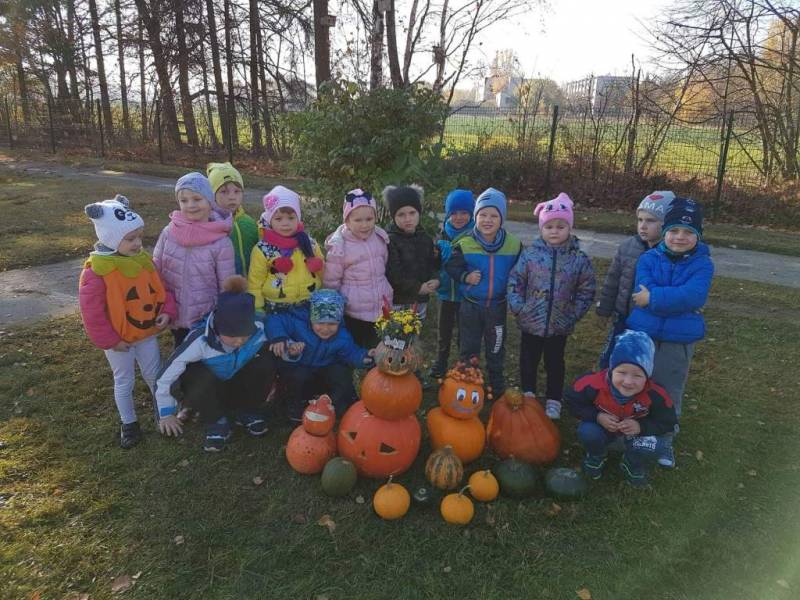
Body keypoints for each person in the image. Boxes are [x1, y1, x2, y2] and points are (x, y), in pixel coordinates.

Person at [79, 195, 176, 448]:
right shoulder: (97, 271)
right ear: (111, 238)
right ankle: (129, 423)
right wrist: (110, 340)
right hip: (118, 340)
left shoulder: (144, 262)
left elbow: (161, 289)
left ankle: (164, 412)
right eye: (130, 239)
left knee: (154, 374)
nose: (137, 243)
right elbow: (92, 313)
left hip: (146, 333)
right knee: (124, 381)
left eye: (139, 237)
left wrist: (167, 310)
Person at [627, 197, 714, 468]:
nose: (680, 237)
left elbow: (693, 296)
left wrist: (654, 299)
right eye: (674, 230)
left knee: (669, 390)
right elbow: (642, 289)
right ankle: (633, 431)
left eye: (688, 232)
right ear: (665, 232)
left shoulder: (703, 264)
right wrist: (672, 299)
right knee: (636, 383)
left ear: (698, 236)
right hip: (644, 334)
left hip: (679, 339)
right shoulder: (648, 259)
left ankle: (664, 437)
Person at [154, 276, 276, 452]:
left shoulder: (260, 329)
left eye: (245, 336)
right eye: (233, 336)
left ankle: (247, 410)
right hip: (212, 385)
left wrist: (288, 349)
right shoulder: (200, 340)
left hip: (238, 381)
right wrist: (165, 413)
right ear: (219, 329)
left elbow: (280, 346)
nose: (239, 341)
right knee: (194, 374)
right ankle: (215, 419)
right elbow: (167, 375)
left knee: (264, 363)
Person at [507, 193, 596, 420]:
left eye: (560, 226)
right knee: (528, 360)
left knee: (555, 362)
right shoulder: (530, 255)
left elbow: (586, 289)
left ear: (569, 228)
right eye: (549, 227)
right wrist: (519, 307)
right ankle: (528, 393)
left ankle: (554, 399)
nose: (554, 231)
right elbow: (516, 281)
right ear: (541, 228)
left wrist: (573, 314)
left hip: (559, 323)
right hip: (530, 320)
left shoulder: (578, 259)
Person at [565, 329, 678, 488]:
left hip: (636, 434)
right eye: (622, 372)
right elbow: (572, 402)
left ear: (647, 376)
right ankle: (597, 455)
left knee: (655, 444)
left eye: (637, 375)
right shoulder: (591, 384)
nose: (628, 381)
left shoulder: (656, 395)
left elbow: (668, 422)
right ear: (612, 370)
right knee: (588, 432)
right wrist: (597, 416)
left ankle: (632, 462)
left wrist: (641, 426)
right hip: (602, 427)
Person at [445, 187, 522, 398]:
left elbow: (521, 273)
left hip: (497, 307)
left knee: (496, 346)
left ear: (502, 218)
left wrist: (516, 292)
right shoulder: (464, 243)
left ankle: (496, 383)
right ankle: (468, 382)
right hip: (470, 305)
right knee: (469, 346)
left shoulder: (514, 245)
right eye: (483, 215)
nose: (487, 220)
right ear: (476, 217)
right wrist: (465, 277)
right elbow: (452, 267)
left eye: (494, 215)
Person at [153, 172, 235, 346]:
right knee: (180, 350)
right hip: (173, 311)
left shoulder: (221, 242)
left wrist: (225, 315)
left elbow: (226, 285)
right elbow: (156, 269)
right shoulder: (169, 232)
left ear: (209, 201)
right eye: (184, 200)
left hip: (204, 316)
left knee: (201, 354)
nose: (190, 205)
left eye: (197, 199)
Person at [267, 289, 375, 422]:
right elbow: (274, 320)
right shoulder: (297, 322)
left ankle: (332, 404)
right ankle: (294, 406)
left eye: (332, 324)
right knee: (297, 376)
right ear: (311, 318)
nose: (325, 329)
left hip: (324, 370)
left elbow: (351, 353)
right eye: (320, 323)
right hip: (300, 368)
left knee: (341, 374)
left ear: (339, 322)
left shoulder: (342, 336)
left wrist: (364, 357)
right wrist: (279, 337)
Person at [596, 191, 675, 368]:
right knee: (610, 360)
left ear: (667, 223)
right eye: (640, 220)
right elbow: (612, 281)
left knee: (640, 362)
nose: (643, 226)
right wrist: (604, 309)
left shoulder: (671, 256)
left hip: (649, 321)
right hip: (622, 316)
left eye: (651, 221)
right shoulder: (627, 247)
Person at [323, 189, 393, 348]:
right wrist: (333, 305)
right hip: (353, 310)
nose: (364, 225)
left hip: (380, 306)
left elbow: (384, 264)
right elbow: (331, 280)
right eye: (358, 220)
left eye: (369, 219)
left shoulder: (380, 238)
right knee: (354, 348)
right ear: (347, 221)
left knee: (378, 348)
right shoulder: (339, 246)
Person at [247, 185, 324, 312]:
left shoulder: (309, 243)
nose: (285, 223)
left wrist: (326, 291)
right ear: (270, 221)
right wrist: (257, 308)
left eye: (291, 218)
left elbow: (323, 272)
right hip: (276, 309)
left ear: (298, 218)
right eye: (278, 219)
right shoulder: (263, 249)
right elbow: (255, 282)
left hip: (309, 305)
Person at [430, 189, 475, 379]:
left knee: (465, 332)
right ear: (448, 214)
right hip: (445, 292)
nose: (459, 217)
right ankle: (441, 361)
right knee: (444, 331)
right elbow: (433, 264)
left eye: (464, 212)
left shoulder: (476, 236)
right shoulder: (441, 235)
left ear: (471, 213)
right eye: (454, 213)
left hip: (466, 294)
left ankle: (464, 364)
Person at [383, 184, 440, 319]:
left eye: (412, 213)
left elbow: (432, 264)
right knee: (397, 332)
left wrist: (435, 279)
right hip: (398, 302)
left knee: (417, 329)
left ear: (419, 212)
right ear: (393, 216)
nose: (408, 219)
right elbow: (393, 274)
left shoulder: (426, 239)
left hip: (420, 301)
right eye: (401, 214)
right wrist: (417, 288)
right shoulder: (390, 240)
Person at [207, 162, 258, 276]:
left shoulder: (249, 223)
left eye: (237, 191)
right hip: (222, 284)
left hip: (249, 282)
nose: (232, 197)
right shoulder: (209, 224)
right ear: (212, 195)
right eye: (224, 192)